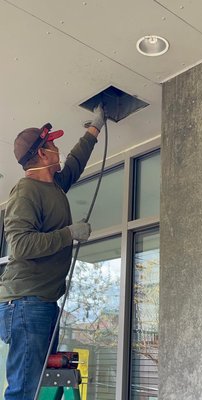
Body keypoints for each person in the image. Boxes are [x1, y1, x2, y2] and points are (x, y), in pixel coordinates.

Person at [0, 105, 105, 400]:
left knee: (33, 387)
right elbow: (21, 245)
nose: (58, 148)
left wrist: (94, 129)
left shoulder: (54, 185)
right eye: (53, 144)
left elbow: (74, 162)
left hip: (39, 302)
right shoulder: (25, 191)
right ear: (43, 154)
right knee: (24, 390)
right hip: (24, 303)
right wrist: (68, 234)